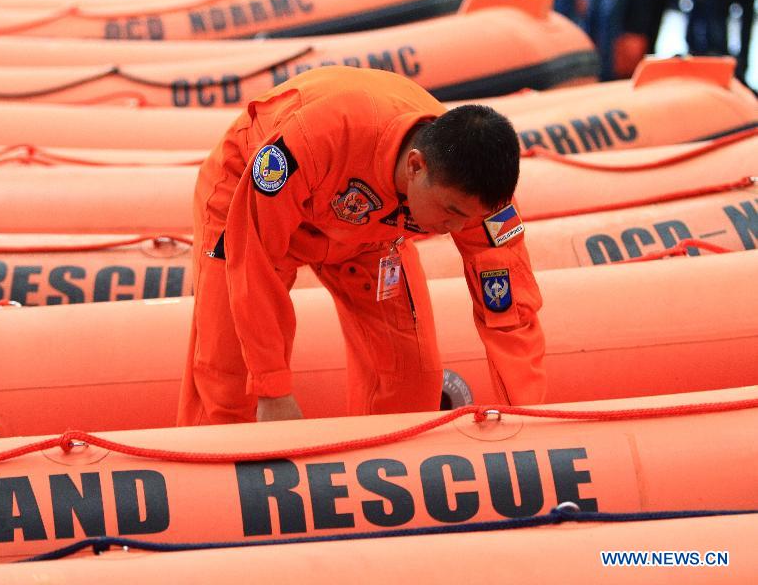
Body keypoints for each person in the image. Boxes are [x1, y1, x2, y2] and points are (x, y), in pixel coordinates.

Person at [177, 66, 546, 426]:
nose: (456, 229)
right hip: (251, 201)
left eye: (467, 219)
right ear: (415, 167)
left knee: (411, 379)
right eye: (450, 213)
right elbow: (253, 256)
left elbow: (510, 311)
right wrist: (272, 389)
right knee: (229, 384)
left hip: (370, 235)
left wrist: (527, 418)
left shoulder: (478, 196)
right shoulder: (315, 138)